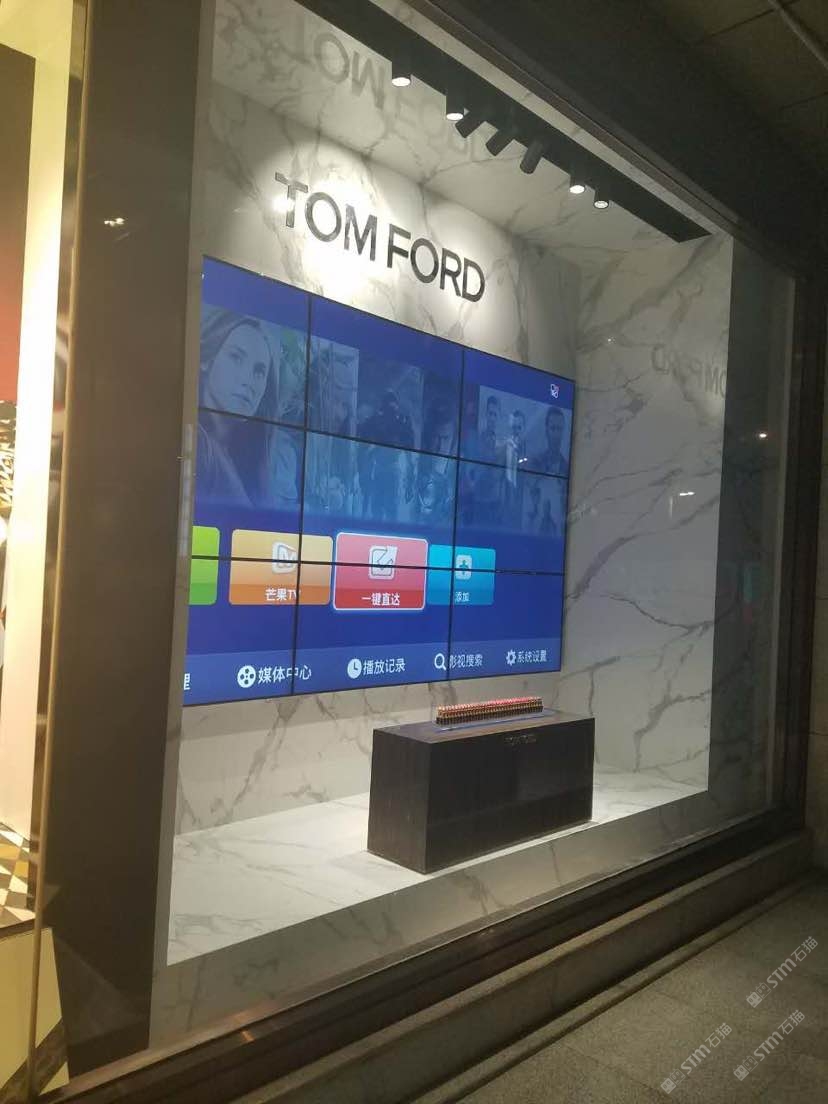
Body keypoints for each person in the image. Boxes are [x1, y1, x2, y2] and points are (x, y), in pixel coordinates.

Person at [197, 309, 298, 510]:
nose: (247, 381)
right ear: (207, 359)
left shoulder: (251, 460)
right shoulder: (197, 443)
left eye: (259, 372)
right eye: (236, 358)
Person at [531, 406, 568, 476]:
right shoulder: (535, 463)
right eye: (553, 428)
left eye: (559, 429)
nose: (556, 435)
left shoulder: (566, 468)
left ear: (563, 432)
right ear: (546, 431)